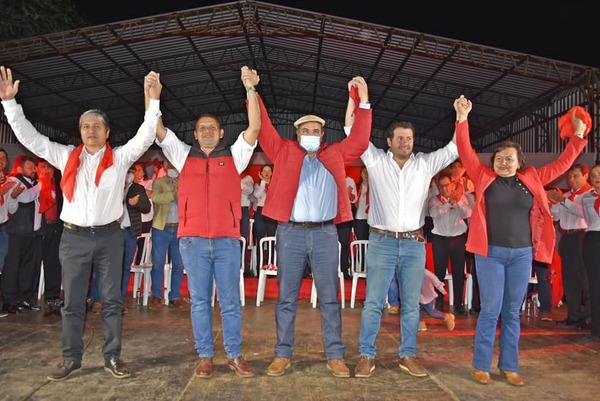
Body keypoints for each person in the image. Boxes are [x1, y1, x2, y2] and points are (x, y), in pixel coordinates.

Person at [0, 65, 163, 381]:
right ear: (81, 131)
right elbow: (29, 137)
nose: (91, 130)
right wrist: (9, 103)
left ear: (107, 133)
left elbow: (145, 135)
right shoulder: (64, 156)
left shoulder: (120, 158)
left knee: (112, 301)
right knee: (72, 302)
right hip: (73, 239)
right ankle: (70, 359)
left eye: (97, 126)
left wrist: (153, 101)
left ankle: (112, 357)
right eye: (86, 126)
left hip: (109, 238)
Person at [456, 97, 588, 386]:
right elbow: (465, 151)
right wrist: (462, 117)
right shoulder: (483, 177)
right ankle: (481, 365)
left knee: (512, 312)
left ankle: (509, 366)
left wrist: (578, 135)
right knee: (490, 310)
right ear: (493, 163)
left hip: (521, 255)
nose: (503, 163)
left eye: (509, 159)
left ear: (519, 163)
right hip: (489, 254)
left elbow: (563, 163)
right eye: (499, 159)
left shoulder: (533, 179)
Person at [258, 76, 372, 378]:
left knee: (330, 297)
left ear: (322, 134)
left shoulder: (333, 154)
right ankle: (282, 353)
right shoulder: (283, 152)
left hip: (324, 233)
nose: (311, 134)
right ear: (297, 134)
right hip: (290, 233)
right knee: (286, 297)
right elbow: (264, 128)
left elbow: (360, 141)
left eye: (316, 131)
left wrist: (364, 101)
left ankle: (335, 355)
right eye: (305, 131)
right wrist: (252, 91)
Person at [150, 65, 260, 379]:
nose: (208, 131)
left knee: (229, 302)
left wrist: (250, 89)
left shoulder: (235, 155)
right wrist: (154, 98)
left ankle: (235, 355)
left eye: (213, 127)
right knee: (199, 301)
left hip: (226, 240)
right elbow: (158, 131)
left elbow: (254, 126)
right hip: (193, 240)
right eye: (202, 128)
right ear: (195, 134)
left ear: (221, 132)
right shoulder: (184, 155)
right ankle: (205, 356)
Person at [352, 96, 466, 379]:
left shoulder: (425, 165)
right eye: (399, 138)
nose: (405, 143)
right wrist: (360, 101)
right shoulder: (375, 161)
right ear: (389, 141)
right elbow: (352, 131)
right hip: (382, 242)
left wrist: (461, 117)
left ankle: (408, 355)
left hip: (414, 244)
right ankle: (366, 355)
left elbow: (454, 148)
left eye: (409, 138)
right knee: (374, 303)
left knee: (412, 305)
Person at [548, 164, 592, 330]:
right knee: (570, 278)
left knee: (585, 278)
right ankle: (573, 315)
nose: (571, 180)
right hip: (567, 237)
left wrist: (563, 201)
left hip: (583, 235)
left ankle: (589, 317)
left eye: (576, 177)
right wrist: (554, 204)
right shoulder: (565, 195)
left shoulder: (590, 194)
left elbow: (583, 213)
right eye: (570, 177)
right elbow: (556, 216)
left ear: (585, 176)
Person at [427, 171, 473, 314]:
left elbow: (466, 214)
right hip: (440, 238)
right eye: (441, 186)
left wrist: (457, 202)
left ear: (452, 185)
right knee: (439, 272)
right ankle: (439, 302)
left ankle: (459, 304)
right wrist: (448, 204)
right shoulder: (434, 200)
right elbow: (434, 213)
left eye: (447, 185)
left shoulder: (462, 198)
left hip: (458, 238)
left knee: (459, 272)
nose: (445, 189)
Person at [2, 155, 43, 313]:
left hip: (34, 233)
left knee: (29, 268)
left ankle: (24, 298)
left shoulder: (35, 184)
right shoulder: (14, 181)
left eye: (34, 167)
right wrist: (41, 186)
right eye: (30, 167)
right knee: (13, 267)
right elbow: (25, 198)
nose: (34, 170)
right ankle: (9, 300)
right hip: (17, 232)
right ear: (20, 169)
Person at [148, 158, 186, 309]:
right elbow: (156, 198)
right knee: (157, 263)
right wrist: (174, 193)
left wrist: (181, 191)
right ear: (163, 166)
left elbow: (190, 201)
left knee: (178, 264)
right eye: (168, 164)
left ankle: (174, 295)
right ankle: (157, 295)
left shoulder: (185, 182)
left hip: (180, 228)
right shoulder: (159, 182)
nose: (171, 166)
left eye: (174, 163)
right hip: (161, 228)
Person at [120, 165, 151, 310]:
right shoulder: (114, 186)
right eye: (128, 173)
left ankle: (120, 297)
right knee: (111, 266)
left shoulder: (138, 189)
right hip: (113, 232)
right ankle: (104, 297)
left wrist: (137, 203)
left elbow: (147, 207)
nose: (129, 175)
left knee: (126, 266)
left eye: (132, 173)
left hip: (130, 232)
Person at [36, 158, 64, 317]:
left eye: (50, 167)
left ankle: (52, 296)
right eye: (43, 167)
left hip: (55, 227)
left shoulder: (59, 185)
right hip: (37, 228)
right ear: (37, 168)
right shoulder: (35, 184)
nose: (47, 170)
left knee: (53, 262)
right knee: (31, 262)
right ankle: (24, 296)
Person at [0, 148, 23, 315]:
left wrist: (13, 196)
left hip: (3, 228)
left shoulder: (8, 181)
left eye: (3, 158)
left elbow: (11, 210)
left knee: (1, 267)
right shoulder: (5, 184)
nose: (1, 160)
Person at [579, 163, 600, 338]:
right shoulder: (586, 197)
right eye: (593, 175)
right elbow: (583, 216)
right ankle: (597, 326)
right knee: (594, 284)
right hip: (593, 239)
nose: (597, 177)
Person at [337, 175, 357, 279]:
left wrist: (345, 194)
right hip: (331, 215)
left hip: (345, 216)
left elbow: (354, 199)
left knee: (344, 244)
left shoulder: (349, 180)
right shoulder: (329, 177)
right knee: (329, 244)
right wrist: (345, 192)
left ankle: (344, 270)